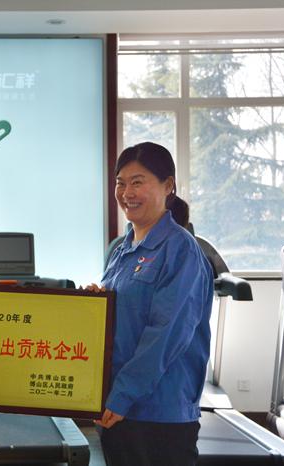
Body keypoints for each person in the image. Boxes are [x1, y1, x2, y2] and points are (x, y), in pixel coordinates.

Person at [86, 142, 213, 466]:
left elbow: (165, 335)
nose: (126, 192)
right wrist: (95, 304)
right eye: (121, 183)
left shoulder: (180, 250)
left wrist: (122, 394)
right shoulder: (123, 250)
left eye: (138, 182)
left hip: (158, 417)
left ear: (168, 185)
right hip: (117, 409)